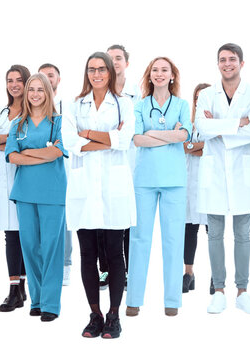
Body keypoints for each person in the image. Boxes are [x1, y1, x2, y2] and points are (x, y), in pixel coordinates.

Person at [62, 52, 135, 339]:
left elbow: (125, 140)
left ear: (110, 72)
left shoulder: (125, 103)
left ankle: (114, 316)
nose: (97, 74)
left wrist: (89, 134)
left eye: (102, 69)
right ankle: (95, 314)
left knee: (115, 254)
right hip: (83, 188)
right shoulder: (73, 105)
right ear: (86, 73)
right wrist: (107, 139)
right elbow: (70, 142)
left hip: (113, 187)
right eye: (92, 69)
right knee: (88, 253)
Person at [195, 43, 250, 315]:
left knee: (242, 234)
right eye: (222, 60)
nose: (227, 64)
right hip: (213, 172)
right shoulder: (206, 94)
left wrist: (220, 127)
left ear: (242, 63)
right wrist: (240, 122)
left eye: (232, 59)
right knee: (214, 233)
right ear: (218, 64)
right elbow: (201, 128)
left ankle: (243, 291)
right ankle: (219, 291)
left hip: (242, 173)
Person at [126, 56, 191, 317]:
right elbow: (138, 140)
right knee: (139, 238)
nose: (160, 74)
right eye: (155, 70)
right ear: (149, 76)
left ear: (172, 75)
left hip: (174, 180)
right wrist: (169, 136)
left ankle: (172, 301)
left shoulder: (182, 105)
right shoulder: (140, 105)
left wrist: (153, 133)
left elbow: (184, 136)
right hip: (145, 180)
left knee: (174, 240)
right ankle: (134, 300)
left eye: (165, 70)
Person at [5, 73, 67, 322]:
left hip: (52, 192)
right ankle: (38, 299)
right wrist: (43, 153)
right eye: (32, 89)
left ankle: (51, 304)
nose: (35, 94)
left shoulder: (59, 122)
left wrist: (29, 152)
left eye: (41, 89)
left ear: (49, 92)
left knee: (52, 248)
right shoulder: (18, 124)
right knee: (30, 247)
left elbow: (58, 152)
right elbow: (12, 156)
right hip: (25, 192)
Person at [97, 44, 140, 291]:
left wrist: (111, 136)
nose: (114, 63)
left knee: (127, 221)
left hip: (131, 163)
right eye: (109, 59)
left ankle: (128, 272)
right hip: (102, 163)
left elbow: (128, 134)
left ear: (126, 63)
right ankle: (106, 271)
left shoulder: (137, 95)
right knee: (103, 220)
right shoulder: (97, 93)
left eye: (118, 58)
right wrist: (110, 135)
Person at [0, 65, 30, 312]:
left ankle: (20, 287)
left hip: (24, 174)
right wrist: (8, 138)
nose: (14, 84)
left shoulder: (33, 110)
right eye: (10, 80)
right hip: (2, 177)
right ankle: (15, 288)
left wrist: (5, 138)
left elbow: (27, 139)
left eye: (19, 80)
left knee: (23, 233)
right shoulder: (1, 111)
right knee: (10, 233)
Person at [39, 63, 73, 287]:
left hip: (63, 167)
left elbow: (69, 140)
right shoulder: (33, 106)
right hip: (39, 168)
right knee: (42, 219)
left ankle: (66, 264)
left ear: (58, 80)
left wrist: (50, 147)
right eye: (42, 76)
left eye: (50, 76)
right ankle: (45, 264)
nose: (47, 79)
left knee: (64, 218)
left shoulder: (67, 106)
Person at [182, 83, 210, 294]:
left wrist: (192, 147)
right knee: (189, 230)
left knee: (214, 232)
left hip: (210, 183)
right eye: (197, 98)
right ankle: (188, 274)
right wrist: (195, 147)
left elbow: (211, 150)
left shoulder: (216, 125)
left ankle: (216, 276)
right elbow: (183, 147)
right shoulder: (188, 125)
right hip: (190, 183)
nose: (200, 102)